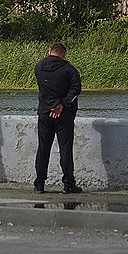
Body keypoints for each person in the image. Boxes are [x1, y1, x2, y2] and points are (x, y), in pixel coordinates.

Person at [34, 42, 82, 194]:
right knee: (65, 149)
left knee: (43, 148)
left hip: (44, 112)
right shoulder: (68, 69)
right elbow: (76, 89)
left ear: (49, 51)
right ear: (64, 54)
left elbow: (45, 87)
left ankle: (39, 184)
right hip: (63, 114)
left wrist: (51, 105)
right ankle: (68, 183)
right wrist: (62, 104)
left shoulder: (39, 67)